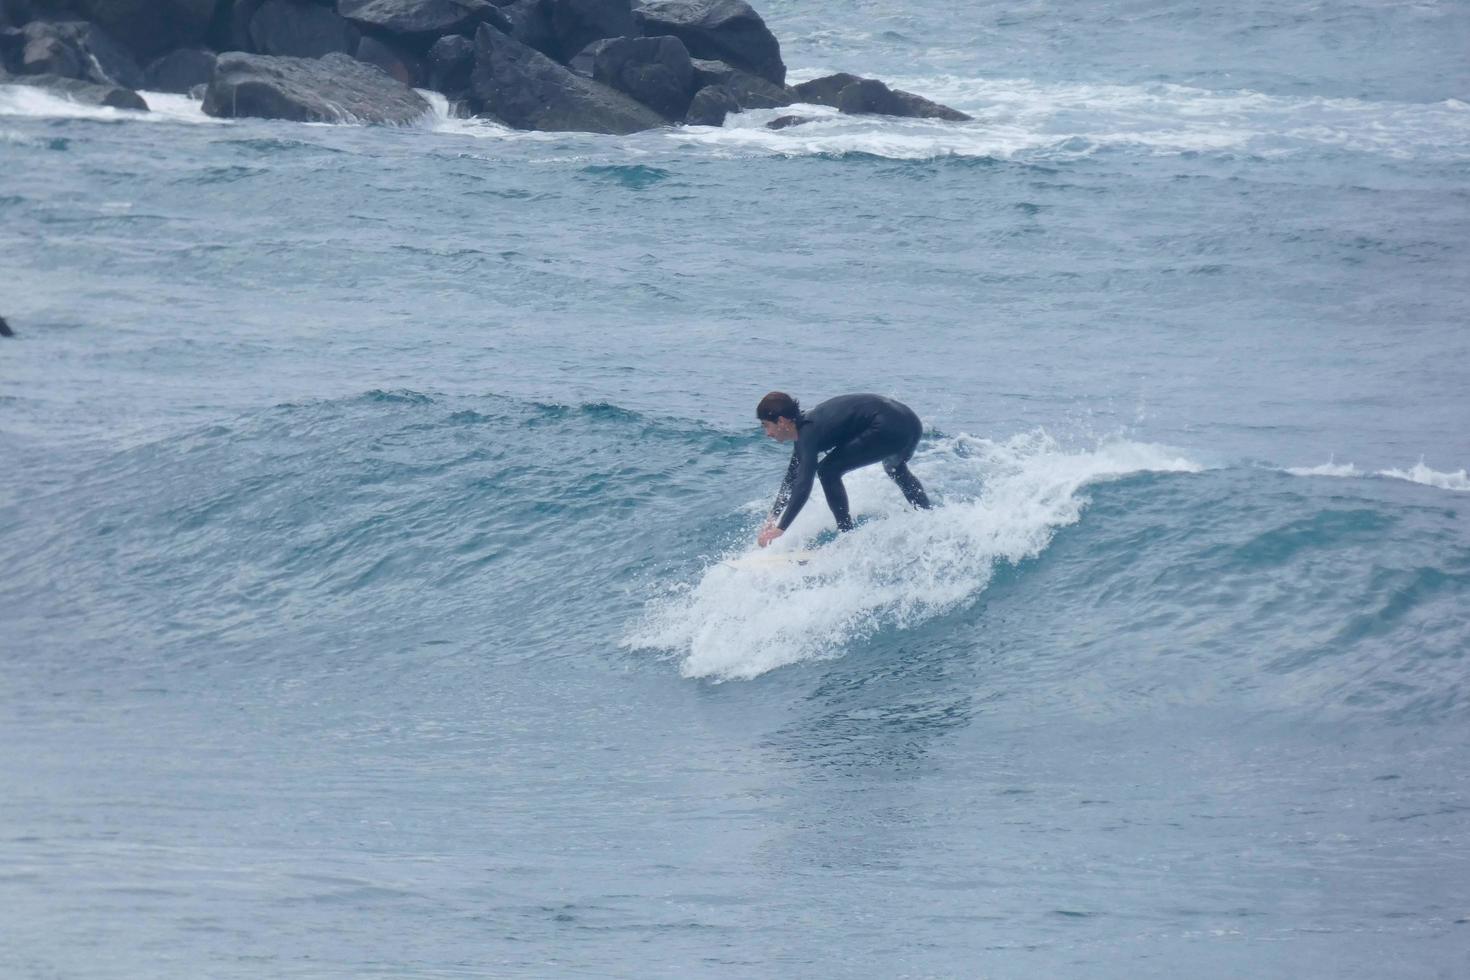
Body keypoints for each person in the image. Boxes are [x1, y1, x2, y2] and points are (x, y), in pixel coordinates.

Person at [756, 391, 931, 547]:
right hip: (911, 424)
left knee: (828, 471)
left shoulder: (807, 435)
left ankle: (847, 536)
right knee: (895, 468)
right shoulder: (807, 430)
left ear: (781, 421)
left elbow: (803, 484)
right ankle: (929, 518)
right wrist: (773, 517)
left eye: (766, 425)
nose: (767, 433)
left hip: (888, 426)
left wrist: (781, 528)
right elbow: (792, 478)